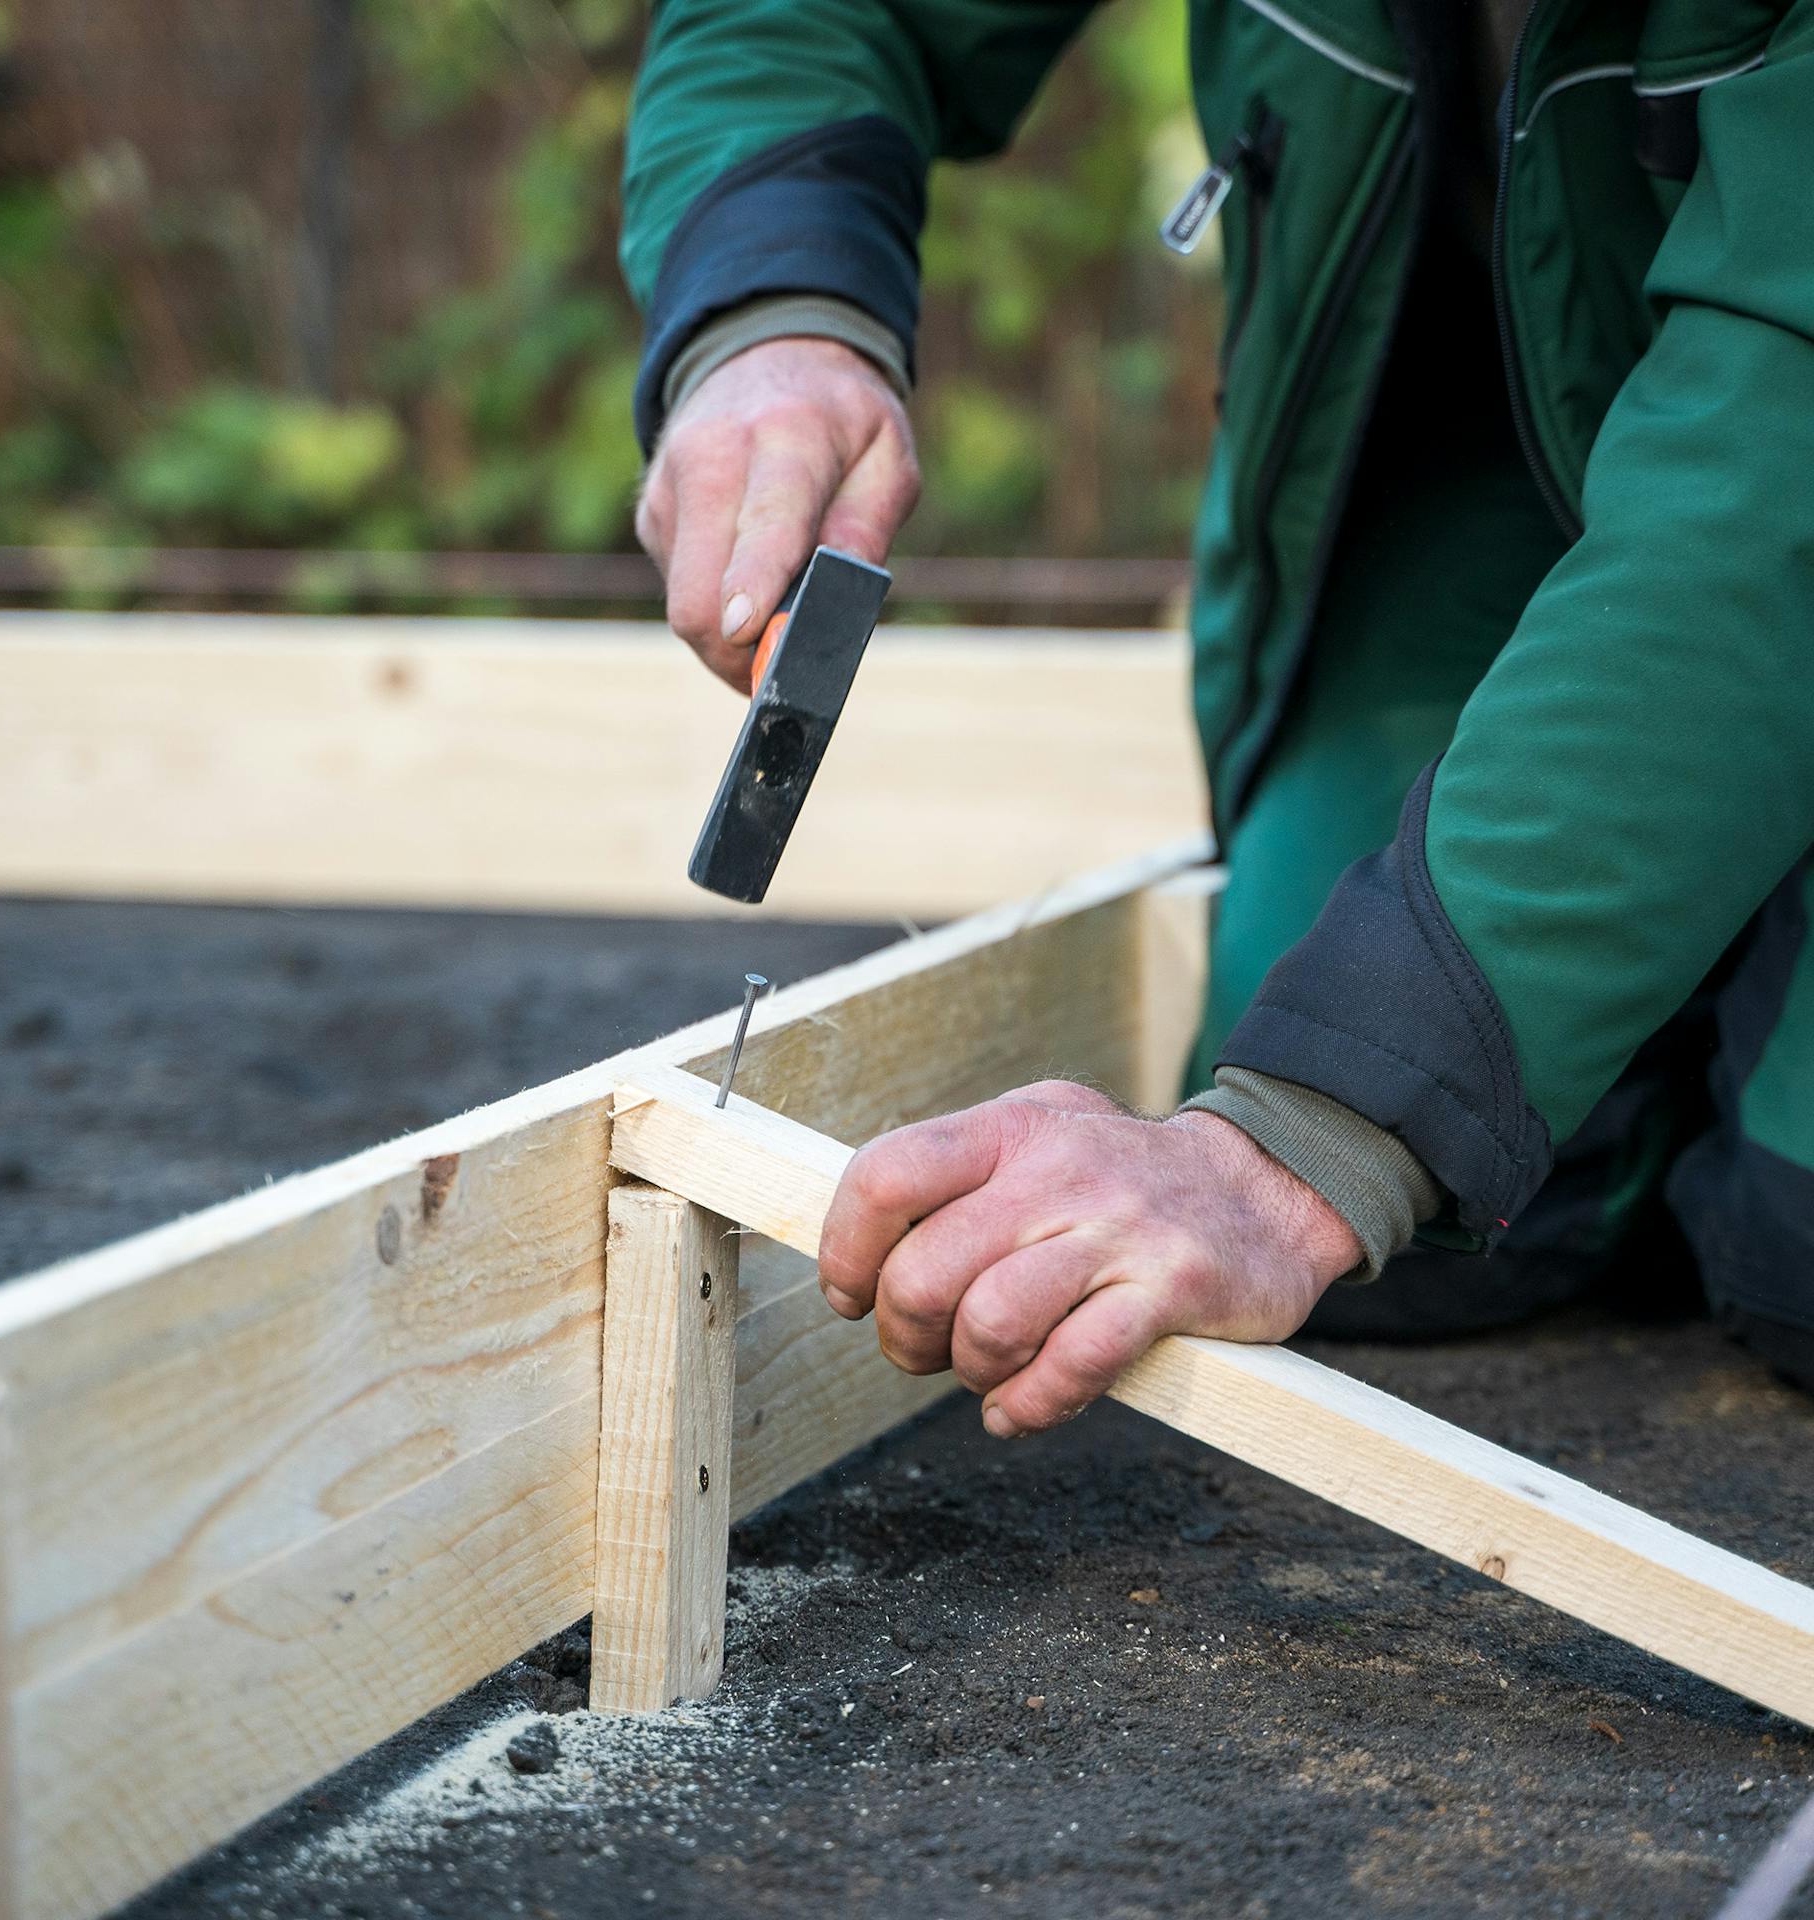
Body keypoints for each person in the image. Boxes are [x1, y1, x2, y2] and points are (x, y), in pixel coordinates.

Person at [620, 1, 1814, 1434]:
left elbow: (1775, 471)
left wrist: (1311, 1136)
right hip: (1485, 471)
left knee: (1786, 1241)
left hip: (1770, 445)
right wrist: (774, 313)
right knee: (1392, 1193)